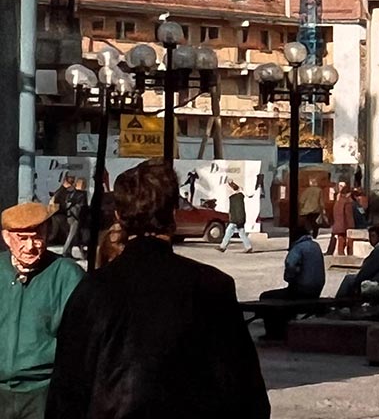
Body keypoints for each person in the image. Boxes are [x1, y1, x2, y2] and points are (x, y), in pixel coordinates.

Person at [45, 160, 268, 419]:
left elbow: (67, 393)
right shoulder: (213, 286)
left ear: (118, 216)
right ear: (173, 213)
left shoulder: (93, 291)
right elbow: (247, 394)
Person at [0, 202, 83, 419]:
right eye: (22, 238)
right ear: (6, 237)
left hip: (43, 392)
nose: (30, 247)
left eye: (37, 237)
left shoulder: (67, 275)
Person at [261, 214, 325, 300]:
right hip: (317, 289)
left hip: (302, 289)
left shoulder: (298, 248)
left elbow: (291, 265)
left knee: (265, 296)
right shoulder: (316, 245)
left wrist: (289, 278)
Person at [335, 224, 379, 300]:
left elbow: (367, 270)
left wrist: (357, 280)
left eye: (373, 236)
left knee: (349, 279)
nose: (371, 239)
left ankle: (338, 302)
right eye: (370, 236)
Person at [218, 179, 253, 253]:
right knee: (242, 233)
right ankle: (248, 247)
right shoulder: (236, 198)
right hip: (238, 219)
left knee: (228, 231)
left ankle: (223, 247)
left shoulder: (236, 198)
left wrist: (236, 219)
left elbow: (238, 210)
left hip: (236, 219)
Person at [57, 181, 86, 264]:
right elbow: (82, 206)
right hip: (75, 216)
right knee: (72, 234)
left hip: (70, 215)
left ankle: (70, 252)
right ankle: (65, 251)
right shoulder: (81, 194)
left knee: (75, 235)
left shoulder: (70, 193)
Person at [327, 182, 354, 257]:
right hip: (345, 225)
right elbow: (348, 215)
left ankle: (340, 254)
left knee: (341, 241)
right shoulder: (347, 202)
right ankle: (348, 255)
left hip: (338, 224)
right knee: (348, 241)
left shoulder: (338, 200)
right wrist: (351, 226)